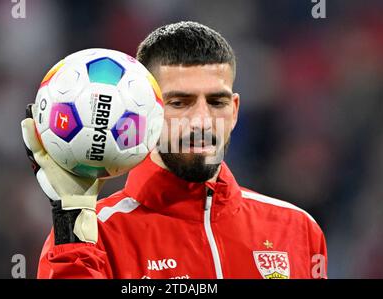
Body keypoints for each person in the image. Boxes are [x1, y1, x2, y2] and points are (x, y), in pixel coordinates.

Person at [21, 21, 327, 279]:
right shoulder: (95, 236)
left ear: (234, 111)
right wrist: (71, 222)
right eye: (180, 103)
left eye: (217, 102)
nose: (202, 121)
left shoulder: (297, 229)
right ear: (146, 115)